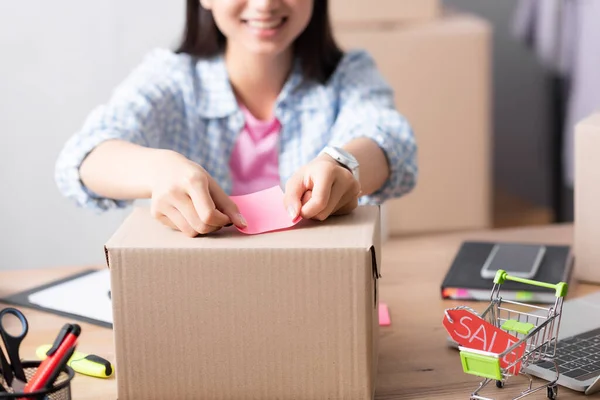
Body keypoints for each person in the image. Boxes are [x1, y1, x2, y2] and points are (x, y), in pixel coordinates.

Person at [55, 0, 418, 237]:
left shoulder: (348, 75)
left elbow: (388, 140)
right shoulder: (171, 77)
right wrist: (157, 169)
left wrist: (342, 165)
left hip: (317, 290)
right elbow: (85, 156)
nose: (265, 4)